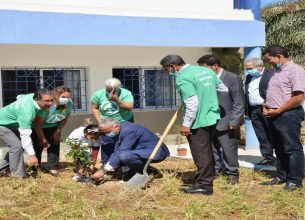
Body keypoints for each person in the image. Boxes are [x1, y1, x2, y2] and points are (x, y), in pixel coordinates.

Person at [160, 54, 227, 195]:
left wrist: (186, 124)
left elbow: (192, 103)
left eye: (166, 70)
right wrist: (205, 93)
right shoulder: (207, 71)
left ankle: (204, 185)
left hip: (198, 121)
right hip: (212, 116)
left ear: (172, 66)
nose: (167, 73)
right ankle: (206, 179)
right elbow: (222, 88)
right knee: (207, 150)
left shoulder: (182, 78)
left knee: (200, 153)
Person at [262, 44, 305, 191]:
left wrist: (278, 110)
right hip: (274, 115)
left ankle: (295, 181)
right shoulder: (277, 72)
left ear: (279, 56)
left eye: (269, 59)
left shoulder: (296, 71)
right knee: (279, 147)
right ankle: (282, 176)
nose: (269, 63)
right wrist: (266, 105)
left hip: (288, 114)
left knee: (292, 148)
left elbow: (298, 97)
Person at [197, 55, 244, 184]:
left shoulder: (232, 78)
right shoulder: (204, 79)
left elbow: (239, 102)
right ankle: (216, 171)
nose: (202, 72)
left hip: (226, 121)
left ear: (215, 66)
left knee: (229, 149)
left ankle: (232, 174)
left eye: (204, 68)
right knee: (211, 149)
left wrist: (234, 121)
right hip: (209, 120)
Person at [0, 88, 53, 178]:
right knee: (17, 146)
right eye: (47, 101)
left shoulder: (38, 102)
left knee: (17, 147)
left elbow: (20, 96)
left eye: (51, 100)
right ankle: (18, 176)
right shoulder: (27, 111)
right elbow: (25, 135)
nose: (50, 103)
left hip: (12, 124)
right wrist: (32, 155)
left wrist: (42, 138)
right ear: (36, 99)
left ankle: (0, 171)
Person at [91, 118, 170, 180]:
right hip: (142, 150)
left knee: (125, 156)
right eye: (105, 132)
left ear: (116, 126)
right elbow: (117, 150)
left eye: (108, 132)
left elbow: (122, 151)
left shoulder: (129, 130)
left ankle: (148, 171)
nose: (107, 134)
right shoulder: (120, 129)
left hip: (156, 152)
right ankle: (136, 171)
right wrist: (105, 167)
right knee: (120, 155)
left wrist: (104, 170)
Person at [91, 78, 134, 165]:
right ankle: (106, 164)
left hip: (123, 121)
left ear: (118, 88)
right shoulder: (98, 94)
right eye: (108, 90)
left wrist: (117, 100)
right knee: (107, 143)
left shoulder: (126, 93)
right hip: (106, 123)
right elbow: (94, 108)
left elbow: (129, 107)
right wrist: (99, 122)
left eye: (113, 91)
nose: (110, 93)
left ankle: (124, 165)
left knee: (124, 143)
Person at [32, 86, 73, 176]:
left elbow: (65, 118)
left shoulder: (69, 104)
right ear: (56, 96)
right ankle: (35, 168)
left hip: (54, 126)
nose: (66, 99)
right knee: (38, 146)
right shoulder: (49, 104)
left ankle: (52, 167)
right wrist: (42, 138)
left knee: (54, 145)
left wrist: (58, 131)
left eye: (68, 97)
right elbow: (37, 123)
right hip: (39, 127)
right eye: (63, 97)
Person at [244, 57, 276, 165]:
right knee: (261, 134)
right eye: (246, 68)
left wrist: (268, 104)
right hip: (254, 109)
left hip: (267, 108)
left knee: (272, 132)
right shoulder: (249, 77)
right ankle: (268, 157)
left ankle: (281, 158)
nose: (248, 70)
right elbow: (247, 93)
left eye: (250, 68)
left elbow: (275, 91)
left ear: (260, 66)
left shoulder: (271, 74)